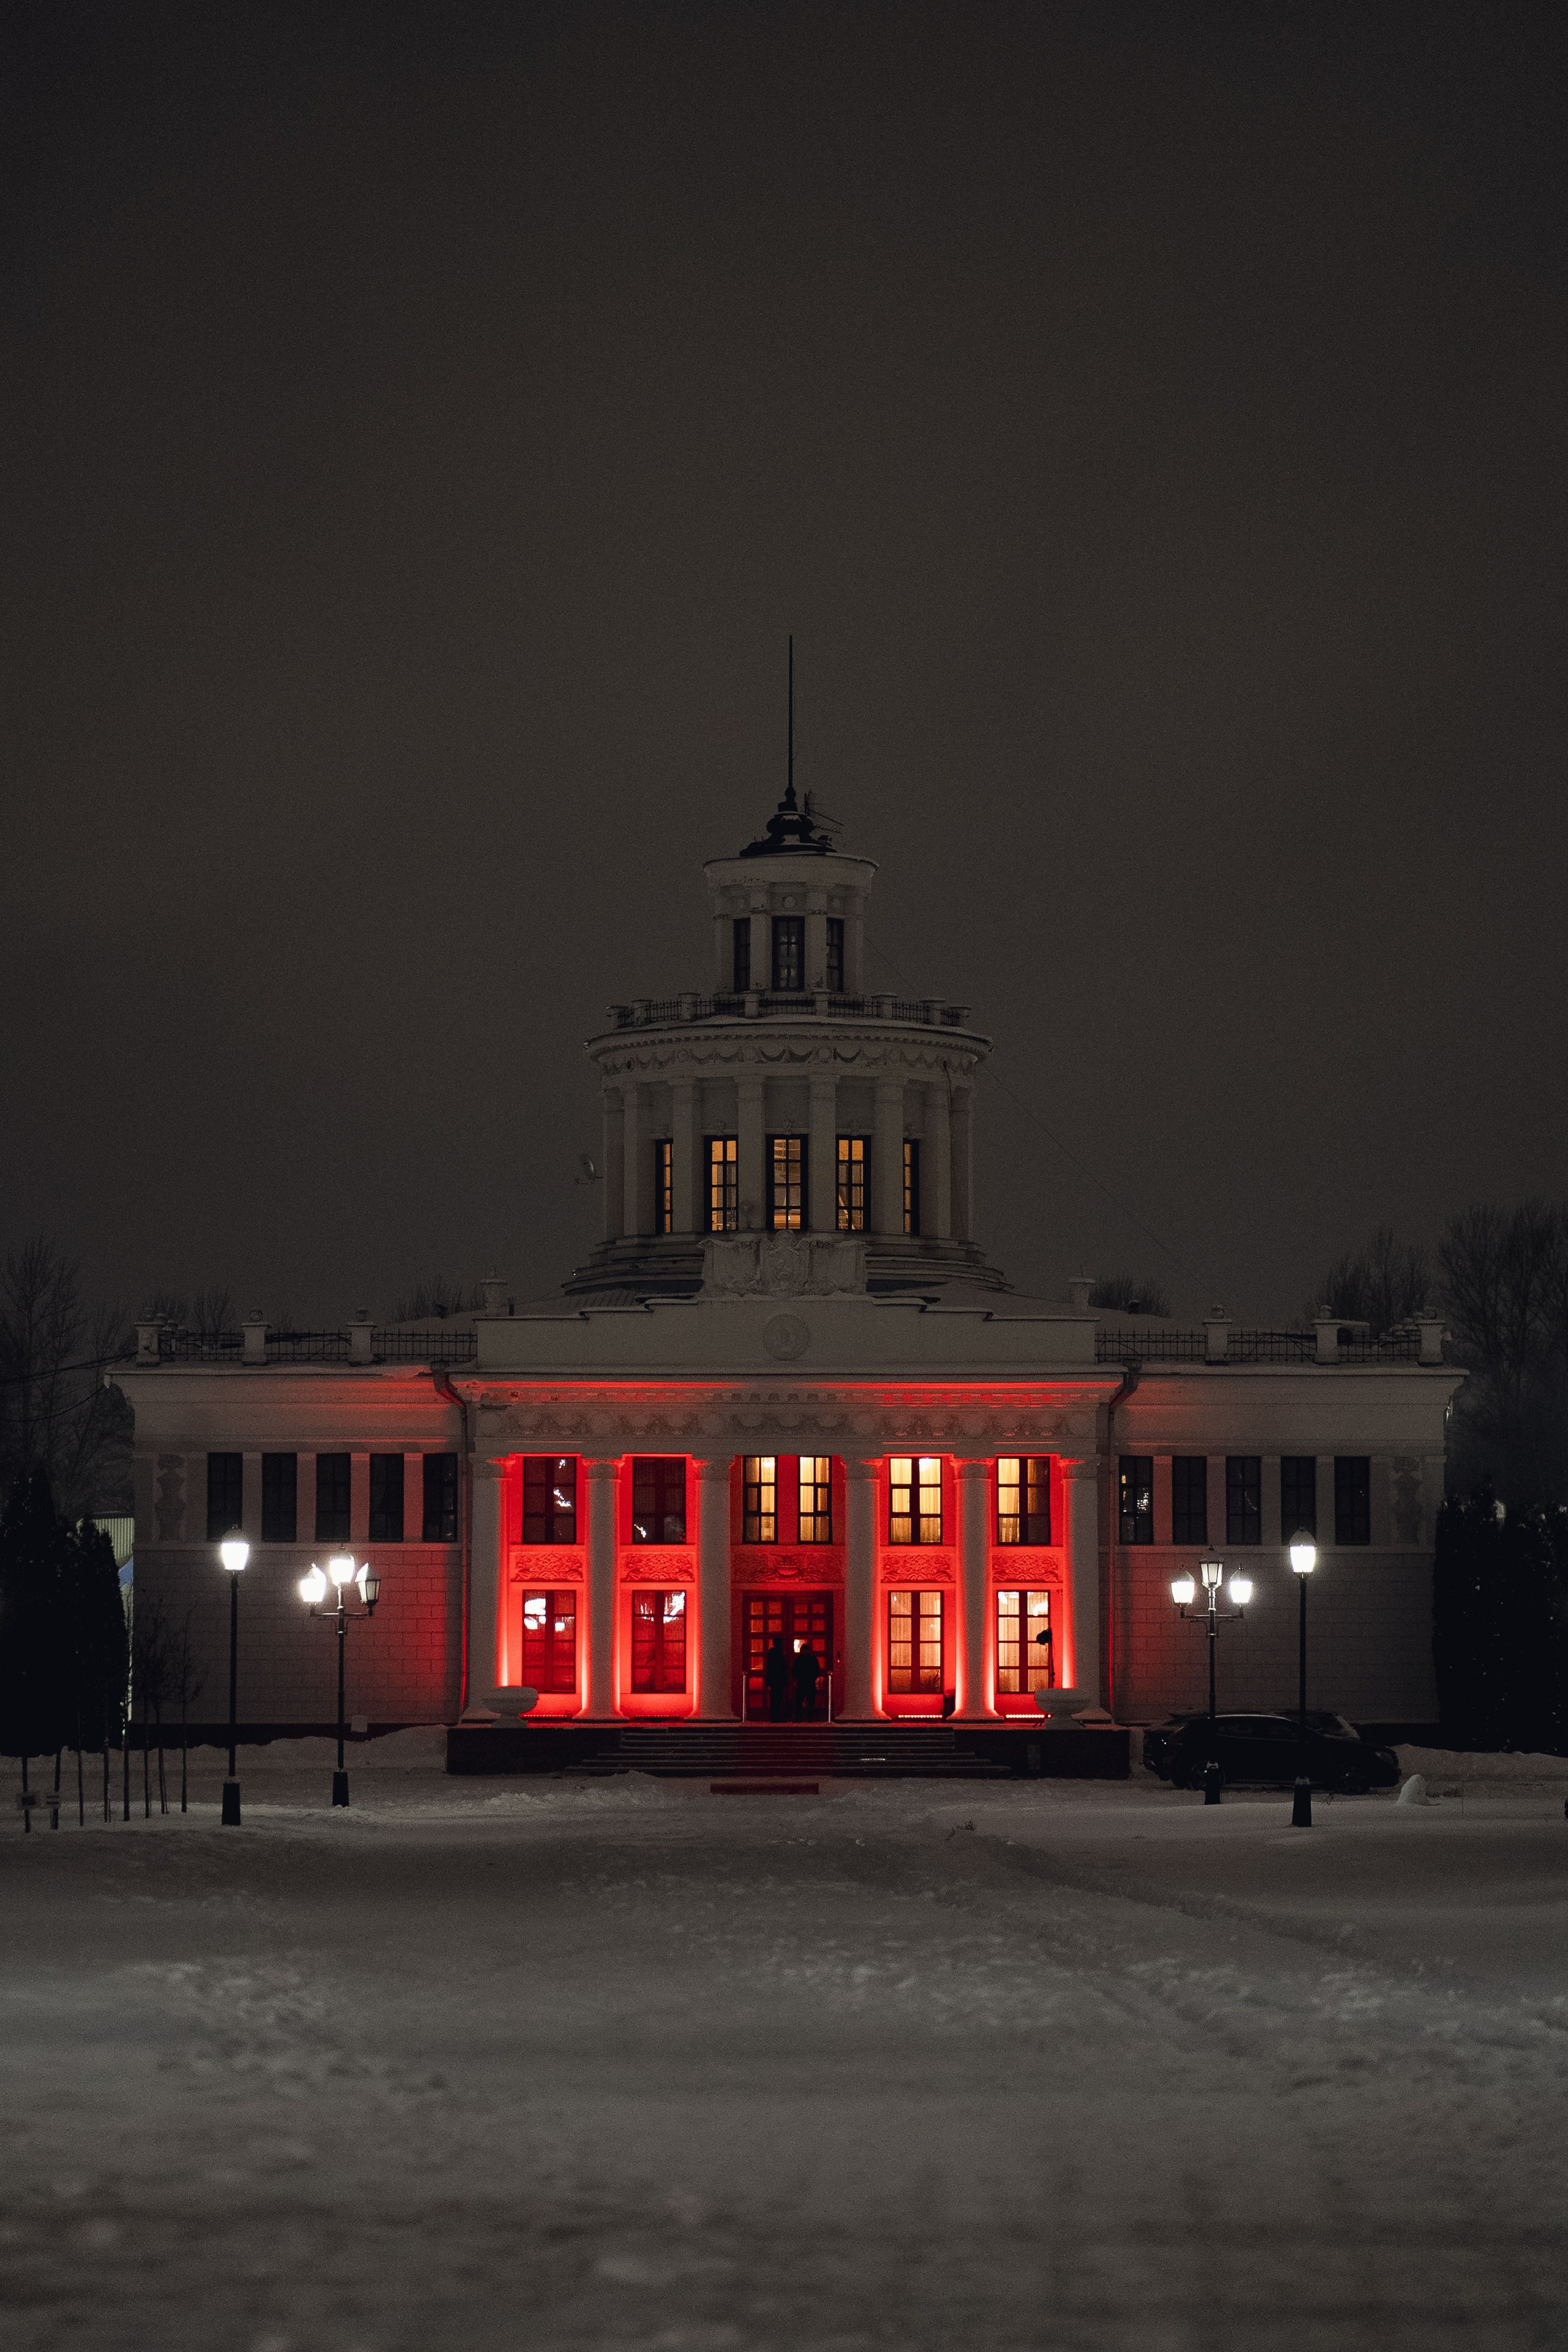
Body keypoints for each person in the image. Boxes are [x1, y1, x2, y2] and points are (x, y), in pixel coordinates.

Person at [763, 1632, 792, 1722]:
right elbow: (780, 1668)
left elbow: (770, 1668)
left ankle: (776, 1717)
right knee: (777, 1699)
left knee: (776, 1699)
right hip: (778, 1681)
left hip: (775, 1681)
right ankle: (777, 1717)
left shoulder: (773, 1653)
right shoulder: (778, 1653)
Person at [792, 1640, 821, 1722]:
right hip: (808, 1683)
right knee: (807, 1701)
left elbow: (794, 1671)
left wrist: (798, 1678)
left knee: (802, 1701)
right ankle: (807, 1718)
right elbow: (817, 1671)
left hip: (803, 1683)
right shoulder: (812, 1659)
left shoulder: (798, 1660)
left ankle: (801, 1718)